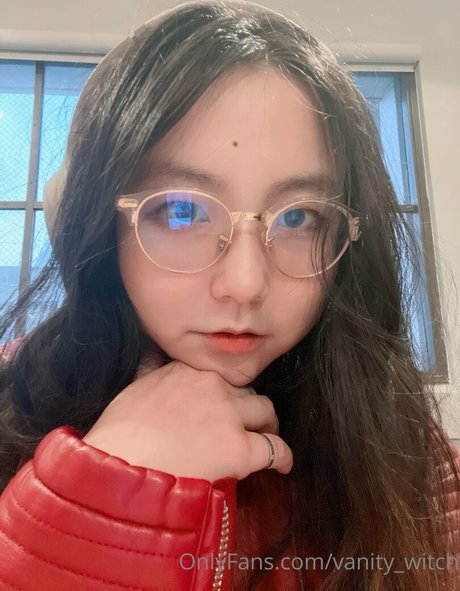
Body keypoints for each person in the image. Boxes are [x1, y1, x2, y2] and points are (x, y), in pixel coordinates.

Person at [0, 1, 459, 589]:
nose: (245, 284)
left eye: (299, 217)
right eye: (182, 210)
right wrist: (107, 496)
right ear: (94, 224)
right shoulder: (16, 414)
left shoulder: (412, 459)